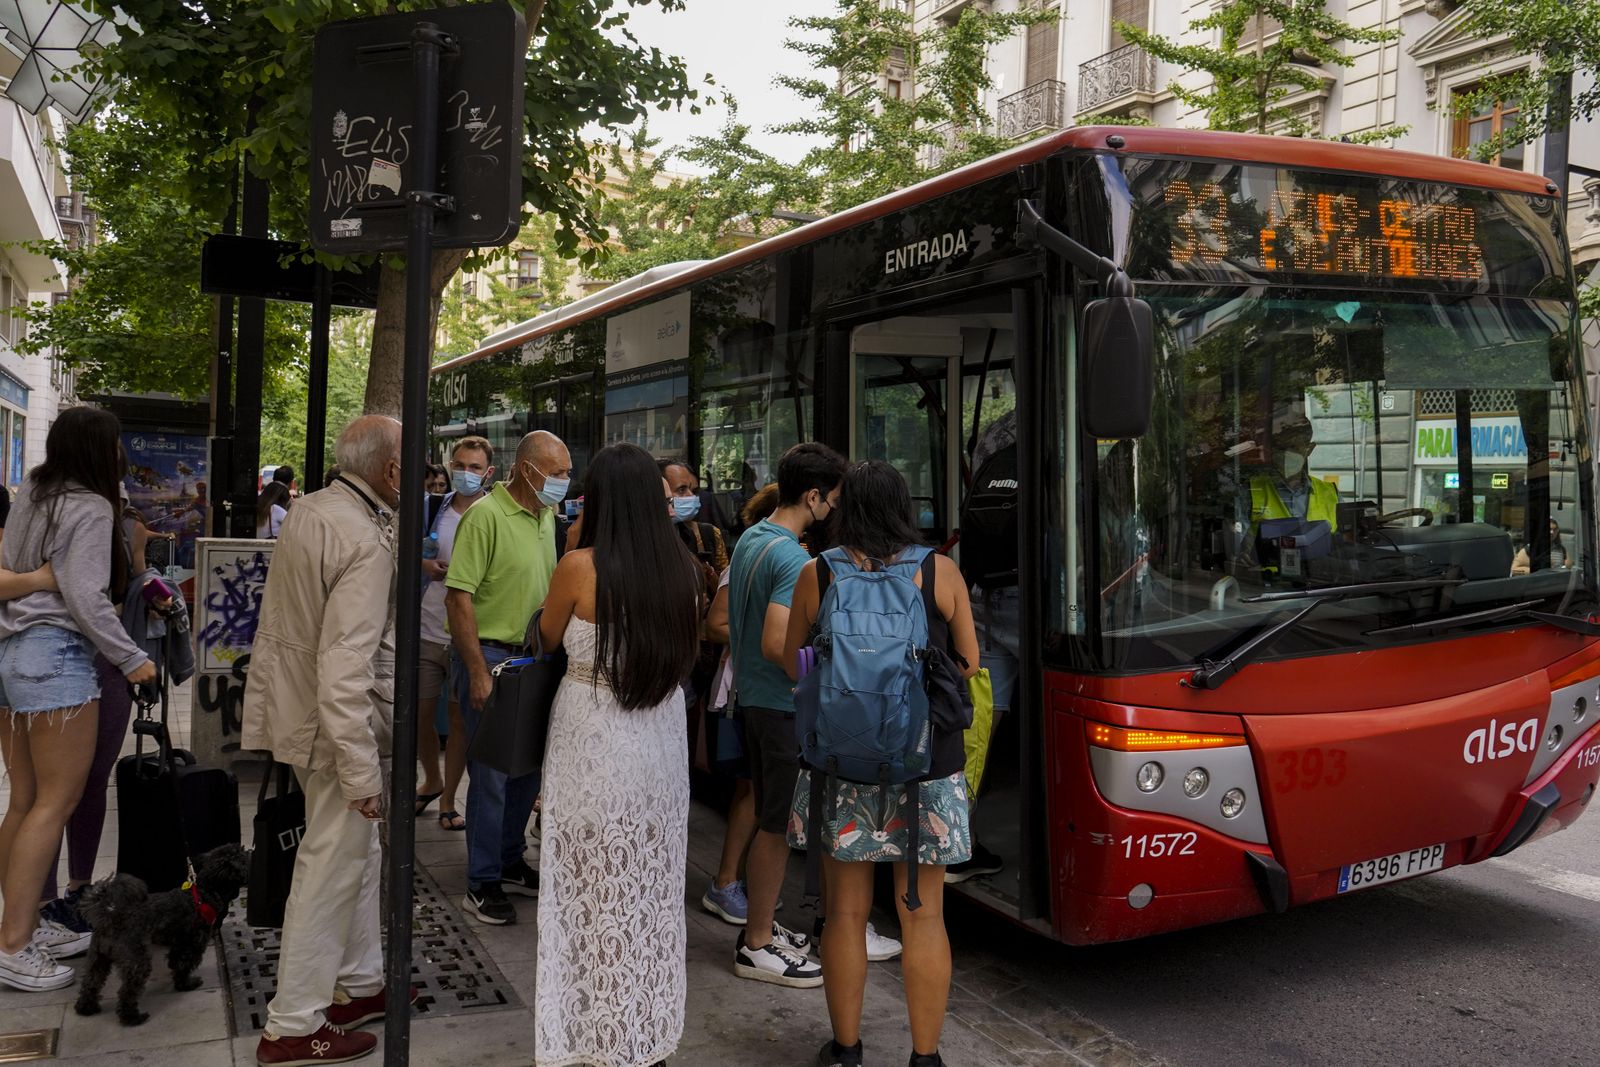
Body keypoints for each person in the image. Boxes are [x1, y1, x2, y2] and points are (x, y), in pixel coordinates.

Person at [783, 461, 979, 1067]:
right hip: (924, 769)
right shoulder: (938, 571)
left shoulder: (818, 572)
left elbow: (795, 663)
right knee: (922, 916)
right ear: (904, 507)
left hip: (842, 765)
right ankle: (925, 1058)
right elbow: (969, 662)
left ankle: (846, 1051)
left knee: (844, 913)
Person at [534, 442, 703, 1066]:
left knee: (591, 890)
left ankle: (600, 1037)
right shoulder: (684, 568)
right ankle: (643, 1029)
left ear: (599, 500)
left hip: (592, 743)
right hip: (658, 741)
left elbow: (547, 637)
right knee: (646, 892)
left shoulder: (579, 566)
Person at [243, 415, 405, 1066]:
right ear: (389, 469)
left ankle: (358, 985)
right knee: (330, 867)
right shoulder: (362, 537)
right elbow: (345, 668)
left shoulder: (314, 508)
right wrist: (360, 768)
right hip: (335, 727)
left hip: (308, 715)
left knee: (353, 855)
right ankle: (294, 1023)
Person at [0, 406, 157, 992]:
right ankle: (14, 944)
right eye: (115, 444)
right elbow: (87, 599)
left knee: (25, 801)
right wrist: (133, 659)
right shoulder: (91, 508)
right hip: (56, 660)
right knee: (55, 804)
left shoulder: (32, 495)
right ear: (100, 450)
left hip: (12, 655)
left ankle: (21, 926)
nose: (121, 454)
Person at [726, 442, 847, 989]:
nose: (833, 510)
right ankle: (755, 945)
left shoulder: (754, 537)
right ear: (814, 496)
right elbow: (778, 643)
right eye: (832, 500)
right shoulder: (793, 558)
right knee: (776, 828)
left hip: (752, 701)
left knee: (770, 817)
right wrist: (817, 675)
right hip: (778, 707)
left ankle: (763, 928)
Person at [445, 430, 571, 925]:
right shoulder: (486, 517)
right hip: (493, 659)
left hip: (534, 661)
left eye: (566, 472)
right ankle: (481, 881)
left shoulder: (546, 517)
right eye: (556, 473)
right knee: (493, 777)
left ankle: (510, 858)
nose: (564, 481)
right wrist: (476, 670)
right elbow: (459, 598)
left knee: (526, 772)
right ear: (527, 469)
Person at [699, 484, 780, 925]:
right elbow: (715, 625)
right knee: (751, 789)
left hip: (759, 687)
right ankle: (726, 882)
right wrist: (766, 642)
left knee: (759, 791)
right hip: (746, 689)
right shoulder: (752, 562)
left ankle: (742, 883)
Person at [419, 436, 496, 833]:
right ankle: (430, 779)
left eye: (475, 467)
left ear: (489, 472)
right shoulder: (434, 507)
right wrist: (426, 565)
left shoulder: (494, 514)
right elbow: (399, 551)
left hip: (466, 636)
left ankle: (449, 797)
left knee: (458, 719)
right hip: (427, 627)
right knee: (419, 713)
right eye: (460, 465)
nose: (465, 473)